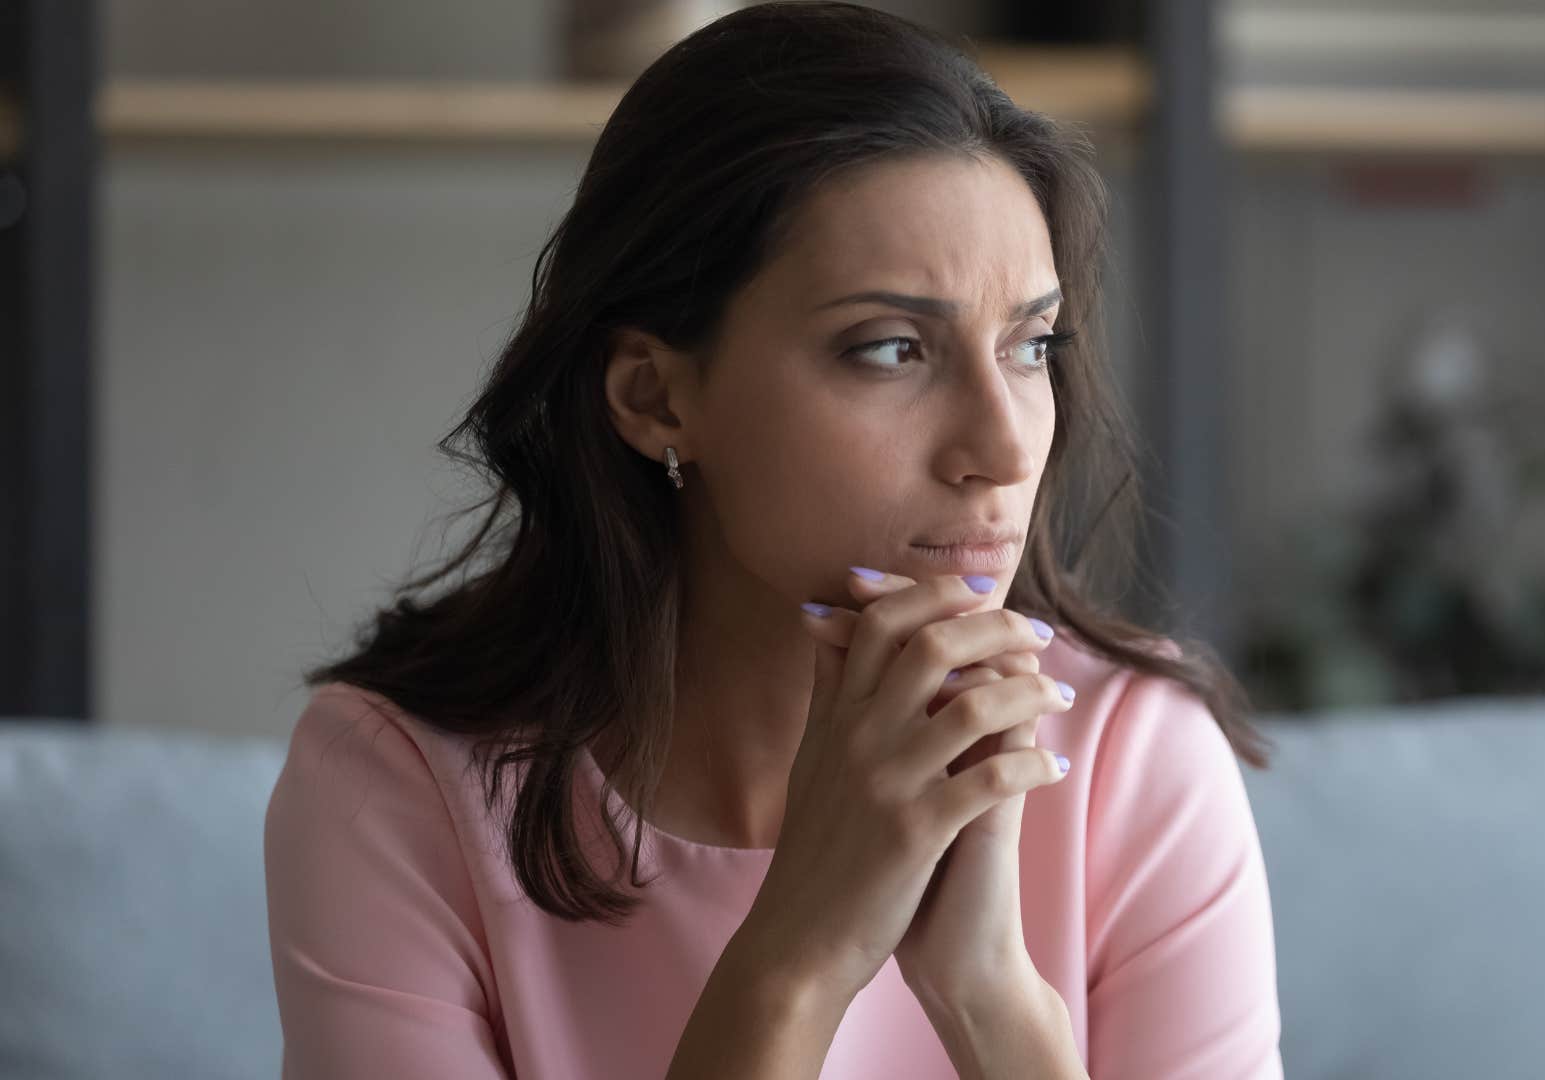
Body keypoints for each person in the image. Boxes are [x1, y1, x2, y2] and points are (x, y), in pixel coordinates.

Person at [262, 3, 1283, 1077]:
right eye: (890, 350)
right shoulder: (398, 783)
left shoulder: (1134, 756)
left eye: (1031, 347)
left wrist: (990, 999)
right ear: (655, 397)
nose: (1001, 447)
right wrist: (800, 957)